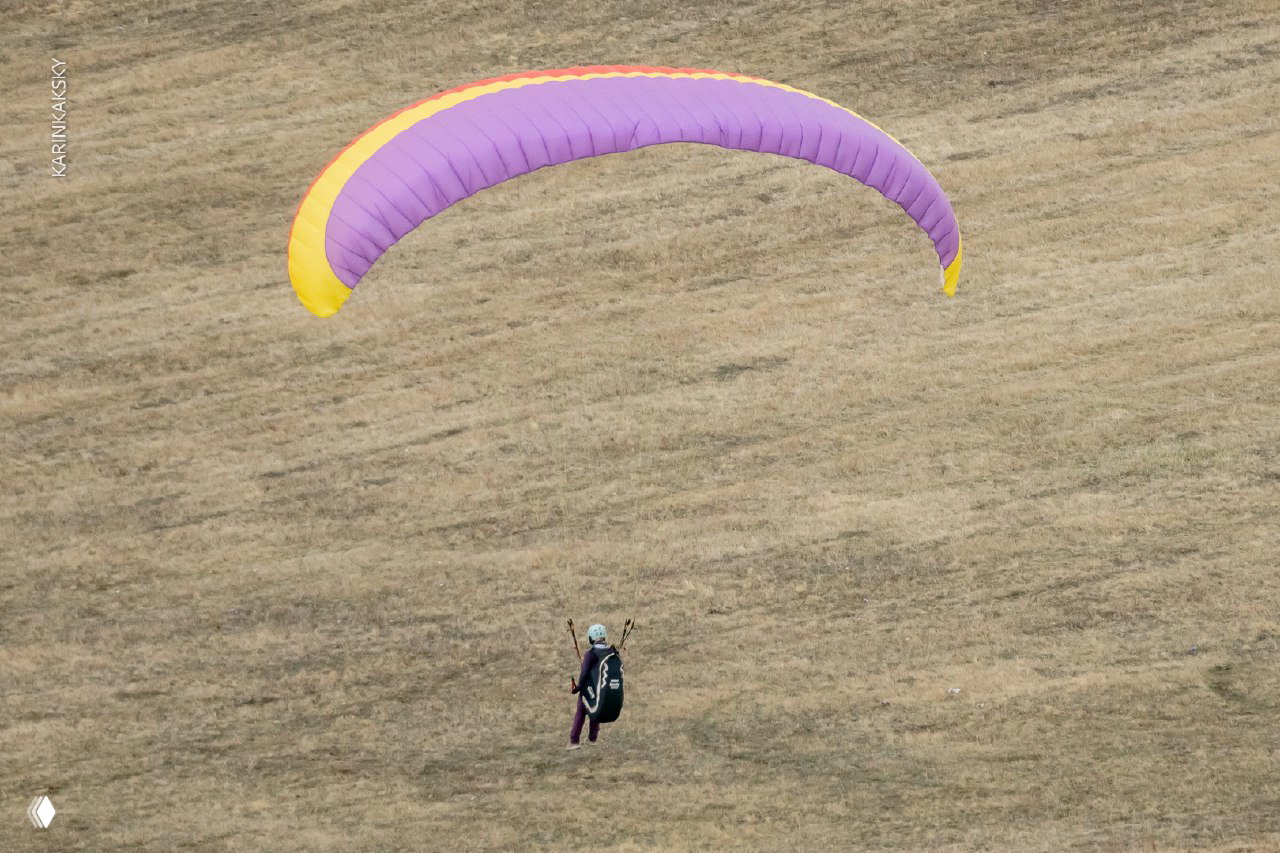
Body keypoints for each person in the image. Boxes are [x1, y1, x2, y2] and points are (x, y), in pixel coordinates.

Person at [567, 623, 617, 749]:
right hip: (602, 689)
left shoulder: (590, 654)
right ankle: (592, 738)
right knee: (595, 711)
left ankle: (574, 741)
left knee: (581, 713)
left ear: (591, 637)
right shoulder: (611, 651)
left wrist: (578, 688)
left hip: (587, 689)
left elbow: (584, 674)